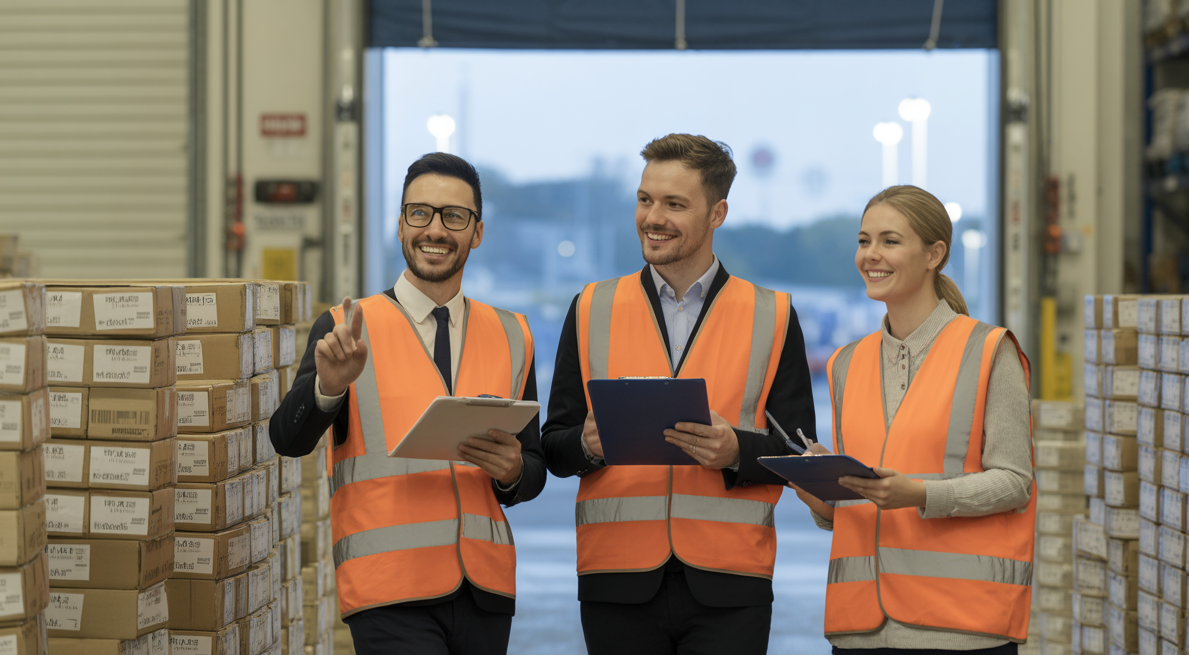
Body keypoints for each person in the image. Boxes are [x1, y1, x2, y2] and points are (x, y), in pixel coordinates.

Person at [541, 134, 817, 655]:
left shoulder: (773, 316)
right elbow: (553, 445)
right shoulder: (590, 307)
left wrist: (736, 451)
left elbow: (802, 452)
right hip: (615, 578)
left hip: (732, 579)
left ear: (717, 213)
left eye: (674, 204)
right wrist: (587, 444)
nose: (653, 217)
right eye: (645, 199)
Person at [269, 153, 546, 655]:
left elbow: (532, 469)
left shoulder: (513, 335)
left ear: (476, 233)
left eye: (454, 216)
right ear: (400, 226)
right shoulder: (346, 328)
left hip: (484, 590)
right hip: (387, 588)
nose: (434, 229)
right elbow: (287, 439)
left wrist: (513, 472)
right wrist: (326, 388)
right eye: (419, 213)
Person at [790, 185, 1035, 655]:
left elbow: (1015, 482)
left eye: (889, 241)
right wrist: (818, 490)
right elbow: (850, 510)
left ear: (934, 254)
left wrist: (920, 494)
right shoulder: (847, 363)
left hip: (960, 627)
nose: (870, 255)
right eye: (864, 241)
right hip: (860, 627)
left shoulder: (989, 350)